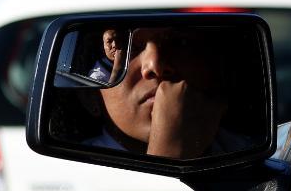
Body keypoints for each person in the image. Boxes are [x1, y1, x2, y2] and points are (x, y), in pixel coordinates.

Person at [86, 27, 235, 159]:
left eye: (179, 42)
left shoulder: (244, 149)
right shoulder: (79, 170)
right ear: (90, 97)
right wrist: (169, 157)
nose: (155, 66)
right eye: (129, 46)